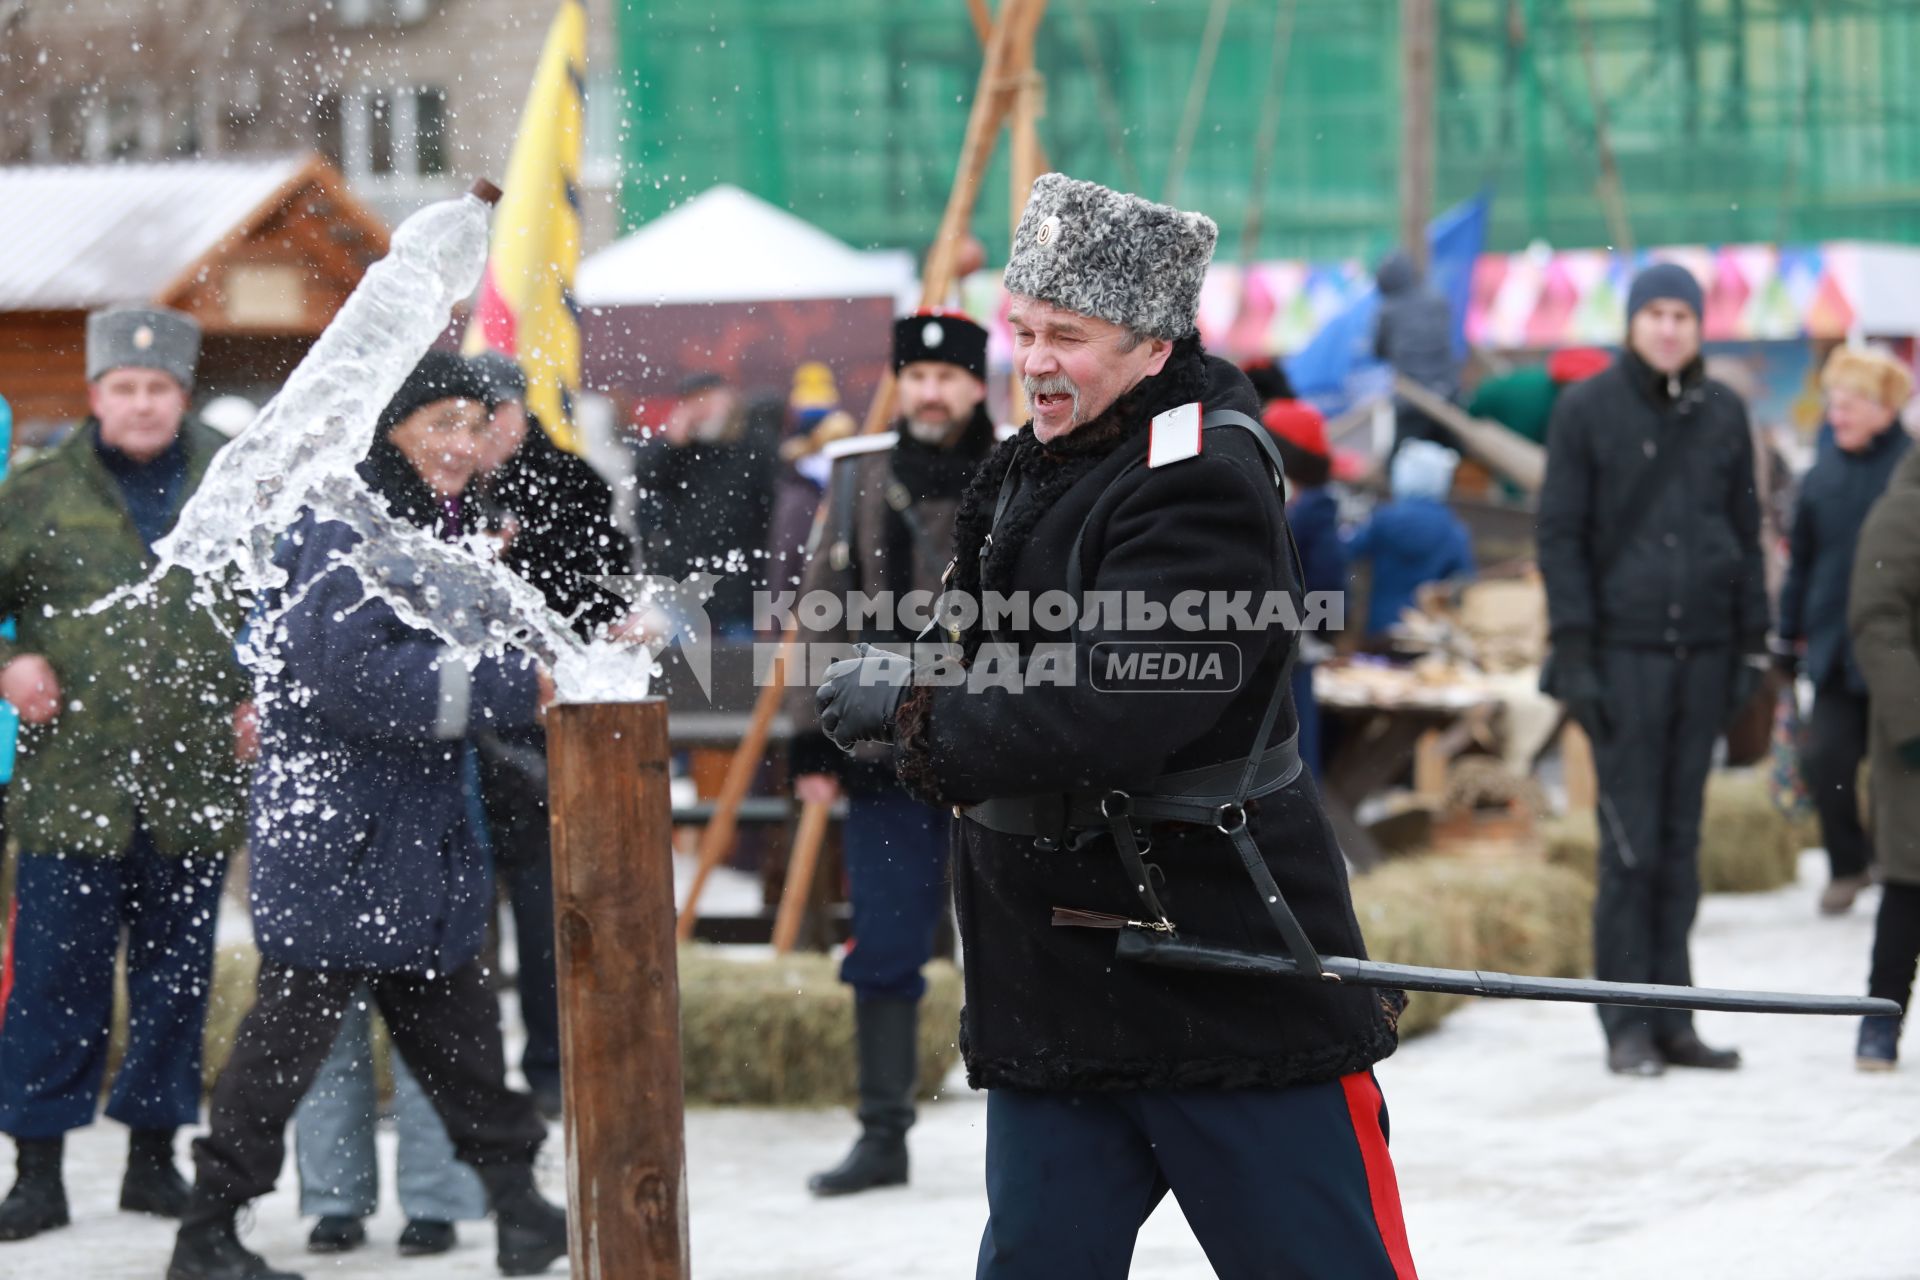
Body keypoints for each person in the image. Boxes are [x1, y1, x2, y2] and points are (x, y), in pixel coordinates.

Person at [815, 174, 1413, 1279]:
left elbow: (1113, 703)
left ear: (1152, 344)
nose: (1034, 360)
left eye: (1068, 337)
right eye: (1024, 329)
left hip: (1219, 969)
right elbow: (1000, 644)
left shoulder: (1205, 476)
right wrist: (917, 673)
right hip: (1055, 975)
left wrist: (914, 707)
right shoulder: (1041, 452)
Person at [166, 352, 567, 1280]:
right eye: (441, 425)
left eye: (473, 425)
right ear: (392, 431)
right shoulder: (345, 519)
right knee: (283, 1053)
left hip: (410, 841)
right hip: (341, 842)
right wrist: (513, 683)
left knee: (460, 1041)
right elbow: (348, 677)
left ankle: (520, 1208)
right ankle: (208, 1231)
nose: (463, 445)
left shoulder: (429, 520)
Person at [0, 306, 253, 1243]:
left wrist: (259, 686)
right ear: (96, 394)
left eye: (159, 389)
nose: (142, 405)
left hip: (191, 785)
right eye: (125, 388)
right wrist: (8, 663)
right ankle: (37, 1171)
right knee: (53, 984)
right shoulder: (34, 493)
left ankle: (153, 1163)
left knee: (174, 981)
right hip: (75, 788)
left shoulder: (233, 484)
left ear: (180, 394)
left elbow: (284, 597)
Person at [1537, 263, 1769, 1077]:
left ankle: (1675, 1016)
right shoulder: (1587, 410)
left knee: (1680, 842)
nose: (1670, 328)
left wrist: (1751, 644)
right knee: (1630, 845)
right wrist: (1576, 653)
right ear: (1632, 323)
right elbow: (1560, 536)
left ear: (1700, 325)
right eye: (1656, 313)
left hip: (1703, 652)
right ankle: (1625, 1023)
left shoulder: (1724, 411)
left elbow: (1745, 532)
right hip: (1623, 654)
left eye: (1683, 314)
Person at [787, 310, 995, 1197]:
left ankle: (1056, 1123)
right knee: (884, 946)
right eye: (917, 376)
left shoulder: (1017, 467)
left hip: (1002, 752)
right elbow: (823, 602)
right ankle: (883, 1132)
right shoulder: (861, 475)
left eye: (948, 377)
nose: (931, 391)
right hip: (885, 756)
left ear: (978, 385)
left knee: (1025, 945)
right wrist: (812, 733)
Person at [469, 349, 633, 1118]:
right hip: (463, 730)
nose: (483, 433)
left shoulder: (573, 483)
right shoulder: (447, 486)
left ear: (518, 413)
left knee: (542, 911)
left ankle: (547, 1069)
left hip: (544, 727)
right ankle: (470, 1075)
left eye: (494, 415)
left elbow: (606, 601)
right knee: (468, 918)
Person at [1777, 347, 1913, 916]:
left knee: (1898, 769)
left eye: (1852, 401)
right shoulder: (1820, 475)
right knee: (1827, 760)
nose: (1839, 412)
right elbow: (1800, 562)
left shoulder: (1911, 469)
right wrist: (1786, 636)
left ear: (1885, 407)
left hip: (1900, 652)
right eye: (1834, 401)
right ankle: (1847, 865)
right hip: (1834, 647)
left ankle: (1899, 867)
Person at [1847, 434, 1920, 1071]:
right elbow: (1878, 620)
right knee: (1909, 887)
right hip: (1917, 738)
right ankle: (1880, 1021)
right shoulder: (1903, 511)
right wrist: (1912, 721)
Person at [630, 370, 776, 636]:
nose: (701, 410)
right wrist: (671, 443)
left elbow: (771, 515)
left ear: (728, 400)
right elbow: (645, 478)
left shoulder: (755, 443)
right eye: (693, 403)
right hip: (685, 582)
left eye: (707, 401)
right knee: (684, 668)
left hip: (740, 586)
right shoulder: (682, 449)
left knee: (740, 666)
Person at [1260, 393, 1346, 777]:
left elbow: (1328, 578)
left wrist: (1323, 628)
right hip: (1288, 645)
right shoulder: (1306, 503)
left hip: (1288, 647)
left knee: (1292, 761)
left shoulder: (1301, 505)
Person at [1344, 440, 1475, 643]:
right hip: (1426, 633)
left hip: (1380, 628)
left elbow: (1347, 550)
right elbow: (1465, 580)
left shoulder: (1383, 519)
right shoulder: (1453, 530)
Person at [1374, 250, 1461, 456]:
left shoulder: (1388, 310)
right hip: (1446, 395)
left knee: (1401, 461)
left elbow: (1378, 350)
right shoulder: (1438, 301)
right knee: (1453, 459)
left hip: (1410, 400)